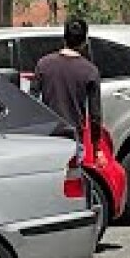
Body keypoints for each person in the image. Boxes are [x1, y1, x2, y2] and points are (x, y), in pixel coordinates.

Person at [31, 18, 104, 166]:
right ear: (85, 42)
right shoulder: (90, 71)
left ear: (64, 39)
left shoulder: (44, 64)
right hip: (73, 136)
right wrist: (96, 148)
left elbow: (31, 100)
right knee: (73, 181)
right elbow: (95, 116)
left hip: (48, 135)